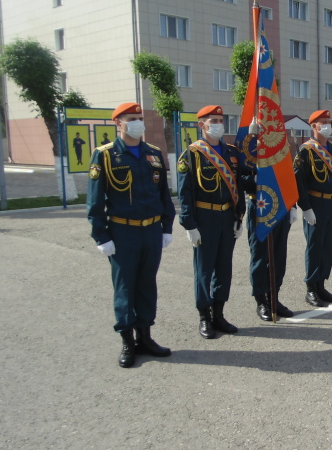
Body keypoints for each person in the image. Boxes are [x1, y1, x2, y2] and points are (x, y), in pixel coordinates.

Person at [87, 102, 175, 368]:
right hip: (122, 231)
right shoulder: (104, 155)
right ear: (118, 123)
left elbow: (164, 195)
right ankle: (127, 340)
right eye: (131, 118)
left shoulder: (154, 153)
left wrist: (167, 227)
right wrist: (101, 236)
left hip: (151, 230)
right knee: (125, 286)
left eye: (140, 117)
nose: (138, 122)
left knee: (147, 284)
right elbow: (95, 201)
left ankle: (145, 336)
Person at [177, 105, 245, 339]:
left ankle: (219, 314)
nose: (218, 124)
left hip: (227, 217)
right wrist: (189, 225)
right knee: (204, 271)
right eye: (213, 120)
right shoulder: (192, 154)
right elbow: (184, 193)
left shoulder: (231, 152)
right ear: (201, 125)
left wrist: (239, 216)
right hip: (204, 219)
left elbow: (239, 185)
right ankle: (204, 317)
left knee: (224, 269)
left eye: (220, 120)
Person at [293, 110, 332, 308]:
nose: (327, 125)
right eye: (323, 122)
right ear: (313, 126)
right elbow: (299, 181)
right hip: (315, 204)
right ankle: (311, 289)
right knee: (315, 246)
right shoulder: (306, 151)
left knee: (327, 246)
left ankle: (321, 286)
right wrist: (305, 207)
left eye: (328, 121)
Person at [241, 173, 297, 322]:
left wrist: (293, 205)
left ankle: (273, 298)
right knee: (259, 256)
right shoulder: (248, 150)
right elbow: (239, 178)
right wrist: (252, 178)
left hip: (281, 206)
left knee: (279, 256)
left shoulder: (280, 150)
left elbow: (287, 175)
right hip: (260, 205)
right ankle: (261, 302)